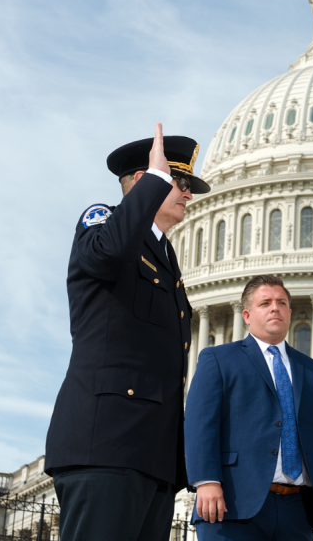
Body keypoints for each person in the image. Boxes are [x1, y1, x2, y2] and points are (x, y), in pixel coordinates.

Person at [45, 124, 211, 541]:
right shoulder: (103, 222)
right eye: (180, 181)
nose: (188, 193)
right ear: (142, 181)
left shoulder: (165, 259)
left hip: (149, 455)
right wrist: (154, 183)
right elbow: (106, 256)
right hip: (106, 444)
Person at [185, 275, 313, 540]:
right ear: (247, 315)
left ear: (290, 312)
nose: (275, 308)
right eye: (266, 303)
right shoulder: (219, 359)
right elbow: (199, 425)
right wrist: (206, 481)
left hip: (297, 510)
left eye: (282, 303)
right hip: (232, 505)